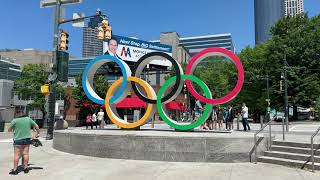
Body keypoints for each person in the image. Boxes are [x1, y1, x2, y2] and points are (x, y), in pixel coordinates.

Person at [8, 111, 40, 175]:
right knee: (26, 154)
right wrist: (37, 133)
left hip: (17, 140)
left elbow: (9, 129)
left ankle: (15, 170)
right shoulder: (28, 119)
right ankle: (25, 168)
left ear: (17, 115)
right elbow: (36, 126)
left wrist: (14, 129)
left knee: (16, 155)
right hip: (27, 140)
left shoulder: (15, 120)